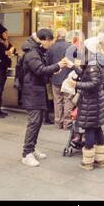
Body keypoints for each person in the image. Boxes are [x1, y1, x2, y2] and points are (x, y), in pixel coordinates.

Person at [21, 29, 68, 167]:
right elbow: (40, 70)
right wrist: (58, 65)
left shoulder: (37, 51)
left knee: (38, 122)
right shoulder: (32, 53)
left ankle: (32, 149)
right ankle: (26, 154)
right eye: (50, 41)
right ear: (43, 40)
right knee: (34, 122)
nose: (51, 43)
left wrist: (55, 69)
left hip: (37, 91)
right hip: (32, 92)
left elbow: (42, 72)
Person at [67, 36, 104, 171]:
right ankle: (100, 159)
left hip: (91, 102)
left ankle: (88, 162)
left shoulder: (92, 65)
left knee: (90, 129)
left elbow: (94, 83)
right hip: (96, 101)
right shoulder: (94, 63)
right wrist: (73, 66)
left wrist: (76, 83)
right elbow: (87, 75)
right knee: (97, 128)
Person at [47, 28, 73, 129]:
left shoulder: (51, 47)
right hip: (68, 78)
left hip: (55, 77)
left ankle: (58, 122)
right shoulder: (70, 46)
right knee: (68, 100)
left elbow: (48, 63)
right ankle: (67, 123)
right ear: (65, 36)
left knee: (57, 100)